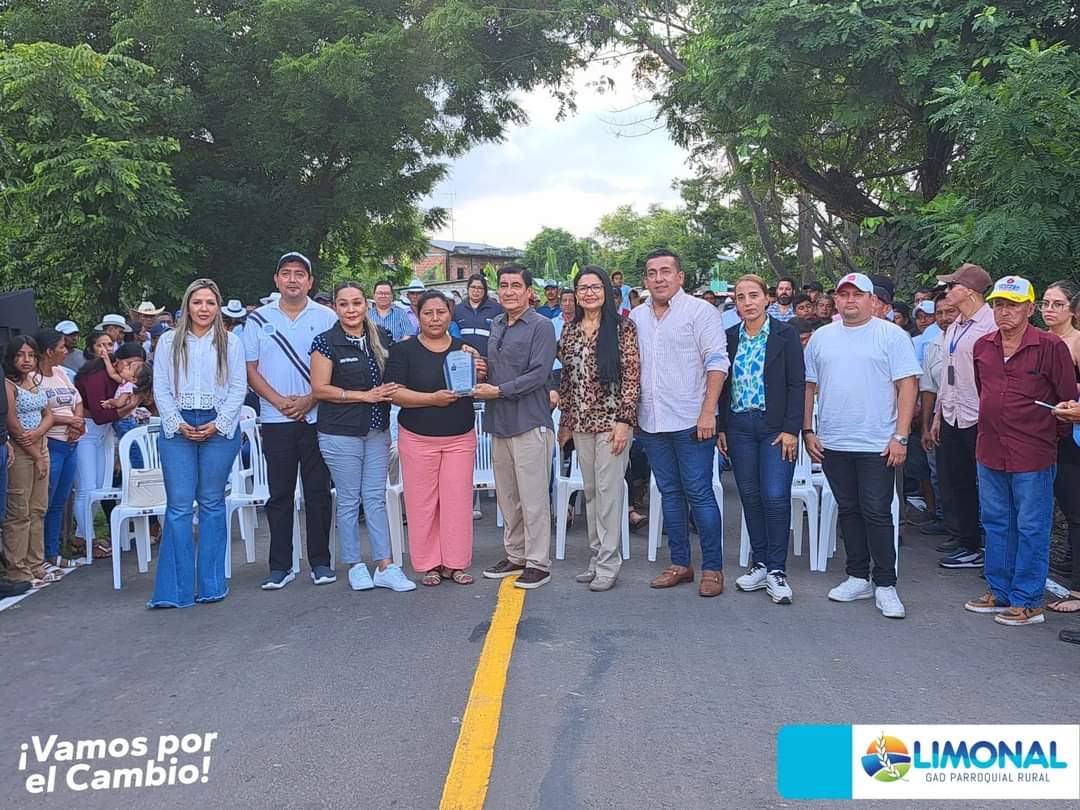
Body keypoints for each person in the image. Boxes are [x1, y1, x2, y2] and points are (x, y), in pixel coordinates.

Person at [804, 272, 921, 619]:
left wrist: (900, 436)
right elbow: (809, 386)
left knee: (877, 511)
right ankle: (857, 576)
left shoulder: (892, 335)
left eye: (858, 294)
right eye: (844, 295)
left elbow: (908, 386)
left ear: (873, 300)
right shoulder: (822, 337)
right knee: (849, 510)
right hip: (834, 440)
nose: (850, 300)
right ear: (836, 301)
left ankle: (885, 583)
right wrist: (808, 430)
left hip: (878, 443)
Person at [962, 276, 1076, 626]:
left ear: (1030, 308)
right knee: (996, 522)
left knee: (1031, 526)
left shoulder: (1050, 346)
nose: (1004, 312)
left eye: (1013, 305)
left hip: (1033, 452)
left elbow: (1066, 401)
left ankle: (1028, 600)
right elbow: (984, 391)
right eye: (999, 305)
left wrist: (1045, 436)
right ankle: (999, 591)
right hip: (990, 448)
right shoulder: (983, 346)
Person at [630, 248, 729, 597]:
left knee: (699, 494)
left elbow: (717, 362)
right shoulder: (636, 317)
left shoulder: (700, 312)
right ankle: (680, 564)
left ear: (680, 276)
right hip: (651, 421)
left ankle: (713, 568)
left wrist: (708, 411)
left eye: (666, 271)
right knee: (669, 493)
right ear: (645, 280)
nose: (659, 278)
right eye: (652, 272)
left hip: (692, 420)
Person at [309, 282, 414, 593]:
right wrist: (363, 396)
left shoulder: (382, 337)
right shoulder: (326, 341)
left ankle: (384, 565)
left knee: (375, 497)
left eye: (356, 303)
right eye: (343, 304)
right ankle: (355, 564)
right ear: (335, 307)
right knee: (349, 499)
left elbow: (402, 369)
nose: (351, 309)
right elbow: (320, 389)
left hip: (377, 430)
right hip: (340, 432)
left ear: (366, 305)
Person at [148, 279, 246, 608]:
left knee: (212, 503)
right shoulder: (168, 341)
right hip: (178, 426)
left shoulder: (231, 342)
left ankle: (211, 586)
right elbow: (161, 387)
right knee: (178, 507)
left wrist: (218, 424)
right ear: (187, 306)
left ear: (218, 307)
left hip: (218, 424)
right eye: (198, 302)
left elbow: (238, 388)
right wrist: (177, 423)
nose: (204, 308)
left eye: (210, 303)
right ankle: (174, 591)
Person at [244, 251, 338, 589]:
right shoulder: (257, 320)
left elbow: (335, 365)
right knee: (280, 494)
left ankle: (321, 562)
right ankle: (280, 566)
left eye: (300, 273)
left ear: (310, 281)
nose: (293, 279)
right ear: (276, 279)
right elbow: (250, 369)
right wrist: (279, 401)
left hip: (317, 417)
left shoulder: (327, 317)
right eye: (286, 273)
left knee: (318, 492)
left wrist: (311, 398)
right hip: (275, 418)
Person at [717, 274, 805, 604]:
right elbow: (722, 384)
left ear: (767, 298)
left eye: (753, 295)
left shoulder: (785, 334)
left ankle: (777, 570)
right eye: (740, 297)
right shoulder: (729, 337)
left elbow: (797, 384)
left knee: (775, 495)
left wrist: (791, 429)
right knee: (750, 496)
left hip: (775, 428)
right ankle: (761, 563)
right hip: (739, 427)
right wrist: (722, 427)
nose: (747, 302)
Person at [385, 290, 481, 586]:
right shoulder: (403, 350)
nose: (435, 318)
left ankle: (455, 563)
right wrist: (431, 399)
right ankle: (429, 564)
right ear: (418, 316)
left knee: (457, 502)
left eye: (441, 312)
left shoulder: (465, 349)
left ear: (450, 314)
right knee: (422, 503)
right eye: (428, 313)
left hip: (459, 437)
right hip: (417, 438)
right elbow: (393, 392)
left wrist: (481, 368)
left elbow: (478, 383)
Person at [472, 265, 557, 589]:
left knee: (533, 499)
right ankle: (516, 555)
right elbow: (498, 368)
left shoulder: (541, 326)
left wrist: (498, 390)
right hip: (500, 422)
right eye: (504, 285)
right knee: (508, 498)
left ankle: (538, 563)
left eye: (516, 285)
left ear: (528, 291)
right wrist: (481, 369)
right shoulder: (496, 323)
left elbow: (538, 375)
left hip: (529, 421)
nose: (508, 291)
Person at [556, 267, 640, 592]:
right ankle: (596, 556)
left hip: (611, 424)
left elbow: (632, 378)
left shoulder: (623, 328)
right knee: (590, 493)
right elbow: (566, 379)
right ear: (576, 294)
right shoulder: (570, 330)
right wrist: (565, 420)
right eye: (583, 288)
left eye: (595, 287)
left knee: (609, 493)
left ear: (606, 291)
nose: (589, 293)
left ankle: (609, 562)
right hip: (580, 423)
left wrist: (624, 421)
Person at [928, 263, 995, 570]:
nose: (946, 291)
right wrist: (938, 414)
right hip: (952, 413)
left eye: (951, 286)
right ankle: (967, 542)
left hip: (980, 414)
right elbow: (947, 375)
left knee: (989, 484)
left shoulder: (991, 324)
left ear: (968, 291)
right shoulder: (956, 325)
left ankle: (992, 548)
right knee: (957, 480)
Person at [1036, 281, 1080, 617]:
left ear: (1071, 310)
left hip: (1072, 437)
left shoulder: (1076, 342)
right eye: (1046, 303)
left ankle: (1077, 588)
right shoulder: (1039, 340)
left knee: (1076, 511)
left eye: (1058, 304)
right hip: (1041, 433)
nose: (1050, 310)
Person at [3, 337, 56, 587]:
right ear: (11, 357)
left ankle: (36, 563)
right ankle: (17, 568)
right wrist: (35, 453)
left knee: (38, 509)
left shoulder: (34, 381)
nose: (26, 360)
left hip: (40, 444)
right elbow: (13, 425)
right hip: (21, 450)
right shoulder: (8, 385)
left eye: (31, 355)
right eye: (20, 355)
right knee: (19, 511)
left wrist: (38, 434)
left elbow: (49, 414)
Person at [36, 329, 85, 569]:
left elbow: (78, 401)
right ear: (48, 351)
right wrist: (69, 421)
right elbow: (37, 412)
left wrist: (76, 423)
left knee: (59, 501)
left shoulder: (61, 373)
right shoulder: (34, 379)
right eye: (62, 347)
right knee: (44, 501)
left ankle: (53, 552)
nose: (66, 351)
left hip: (71, 444)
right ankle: (39, 555)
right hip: (51, 443)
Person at [73, 330, 123, 560]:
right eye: (100, 345)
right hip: (87, 432)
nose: (106, 349)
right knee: (86, 488)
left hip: (105, 433)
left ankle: (82, 536)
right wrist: (126, 409)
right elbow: (99, 413)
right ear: (91, 348)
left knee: (100, 488)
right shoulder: (91, 374)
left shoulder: (112, 371)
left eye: (109, 344)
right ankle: (87, 540)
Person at [917, 294, 959, 540]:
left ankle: (970, 532)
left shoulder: (976, 341)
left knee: (966, 478)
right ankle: (948, 523)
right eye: (940, 313)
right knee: (940, 474)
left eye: (950, 312)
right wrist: (925, 426)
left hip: (967, 421)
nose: (944, 318)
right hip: (938, 420)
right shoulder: (933, 345)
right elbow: (929, 389)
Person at [453, 273, 503, 356]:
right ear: (468, 288)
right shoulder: (457, 310)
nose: (476, 291)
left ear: (485, 290)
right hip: (464, 359)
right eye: (473, 287)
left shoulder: (497, 309)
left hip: (489, 359)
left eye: (480, 288)